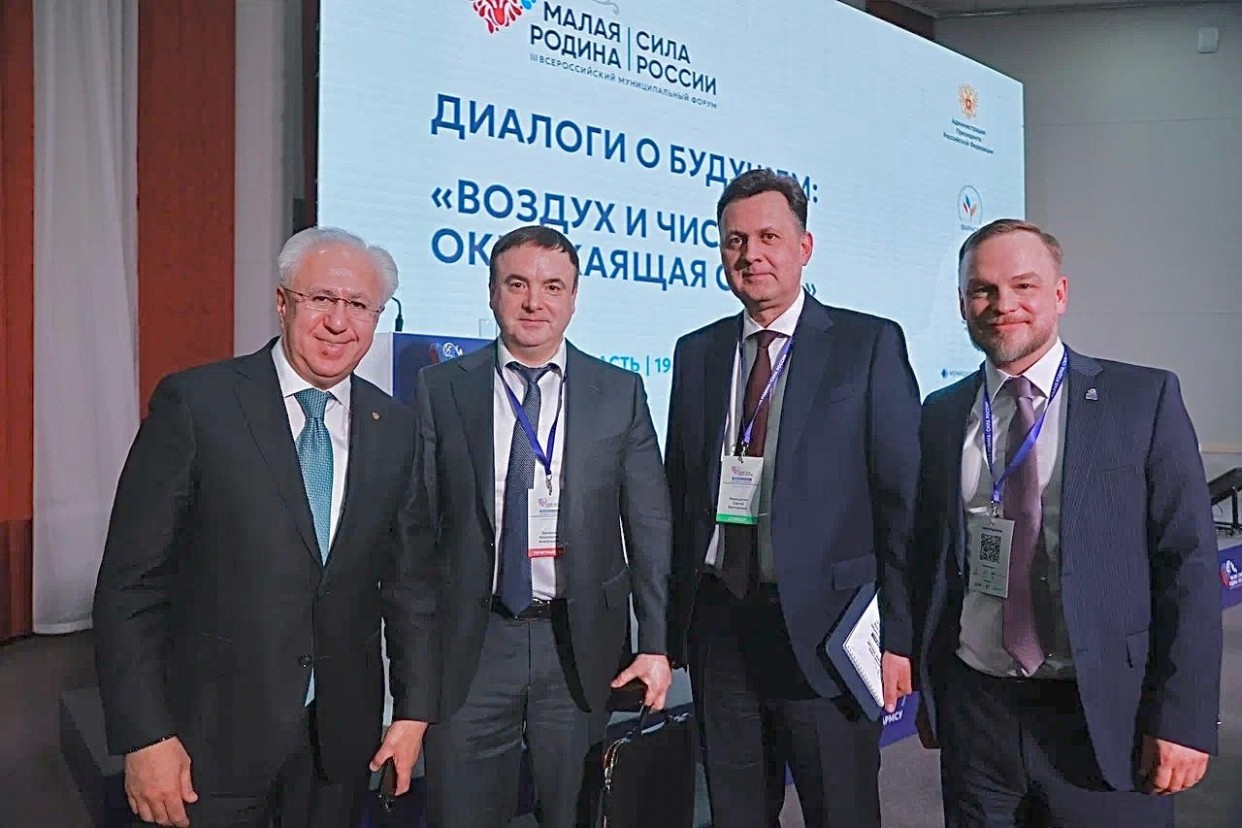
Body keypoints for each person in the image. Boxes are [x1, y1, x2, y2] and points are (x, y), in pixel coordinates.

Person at [93, 226, 435, 827]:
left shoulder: (396, 427)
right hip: (208, 743)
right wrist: (144, 735)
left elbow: (411, 587)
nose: (338, 322)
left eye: (359, 306)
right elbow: (131, 585)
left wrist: (412, 714)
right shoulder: (198, 404)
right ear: (282, 302)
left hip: (338, 743)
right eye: (320, 298)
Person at [911, 218, 1221, 827]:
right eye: (983, 290)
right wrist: (931, 688)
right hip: (979, 712)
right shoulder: (941, 414)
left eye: (1023, 286)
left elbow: (1187, 563)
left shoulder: (1142, 400)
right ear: (963, 303)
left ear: (1059, 294)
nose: (1003, 304)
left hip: (1105, 714)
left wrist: (1184, 718)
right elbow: (930, 559)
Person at [664, 169, 921, 828]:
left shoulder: (867, 345)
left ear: (804, 247)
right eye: (735, 240)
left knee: (841, 811)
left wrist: (900, 638)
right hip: (720, 627)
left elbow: (902, 505)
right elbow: (679, 495)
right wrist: (669, 632)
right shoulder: (696, 353)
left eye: (769, 237)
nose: (751, 254)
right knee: (736, 813)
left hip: (827, 632)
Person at [408, 225, 673, 827]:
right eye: (517, 284)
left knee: (574, 812)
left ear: (574, 298)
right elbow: (417, 530)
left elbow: (650, 526)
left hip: (577, 646)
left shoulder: (619, 392)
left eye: (553, 286)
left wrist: (656, 643)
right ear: (492, 293)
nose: (534, 302)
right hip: (473, 644)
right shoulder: (441, 388)